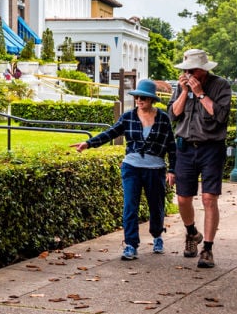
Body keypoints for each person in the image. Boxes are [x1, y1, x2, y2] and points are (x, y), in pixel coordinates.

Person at [73, 78, 176, 260]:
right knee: (130, 206)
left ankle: (157, 235)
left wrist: (172, 170)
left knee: (156, 206)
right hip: (131, 167)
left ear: (152, 99)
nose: (139, 100)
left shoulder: (163, 118)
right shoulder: (128, 117)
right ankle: (130, 245)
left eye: (143, 97)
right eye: (137, 97)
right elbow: (111, 133)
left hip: (155, 169)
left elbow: (171, 146)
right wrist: (88, 143)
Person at [169, 48, 232, 268]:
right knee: (183, 198)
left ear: (203, 70)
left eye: (192, 70)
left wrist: (200, 94)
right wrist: (185, 92)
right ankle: (191, 233)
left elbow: (222, 116)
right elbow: (173, 115)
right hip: (185, 147)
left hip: (211, 147)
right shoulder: (181, 86)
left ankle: (207, 248)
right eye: (185, 70)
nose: (188, 73)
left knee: (209, 198)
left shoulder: (221, 85)